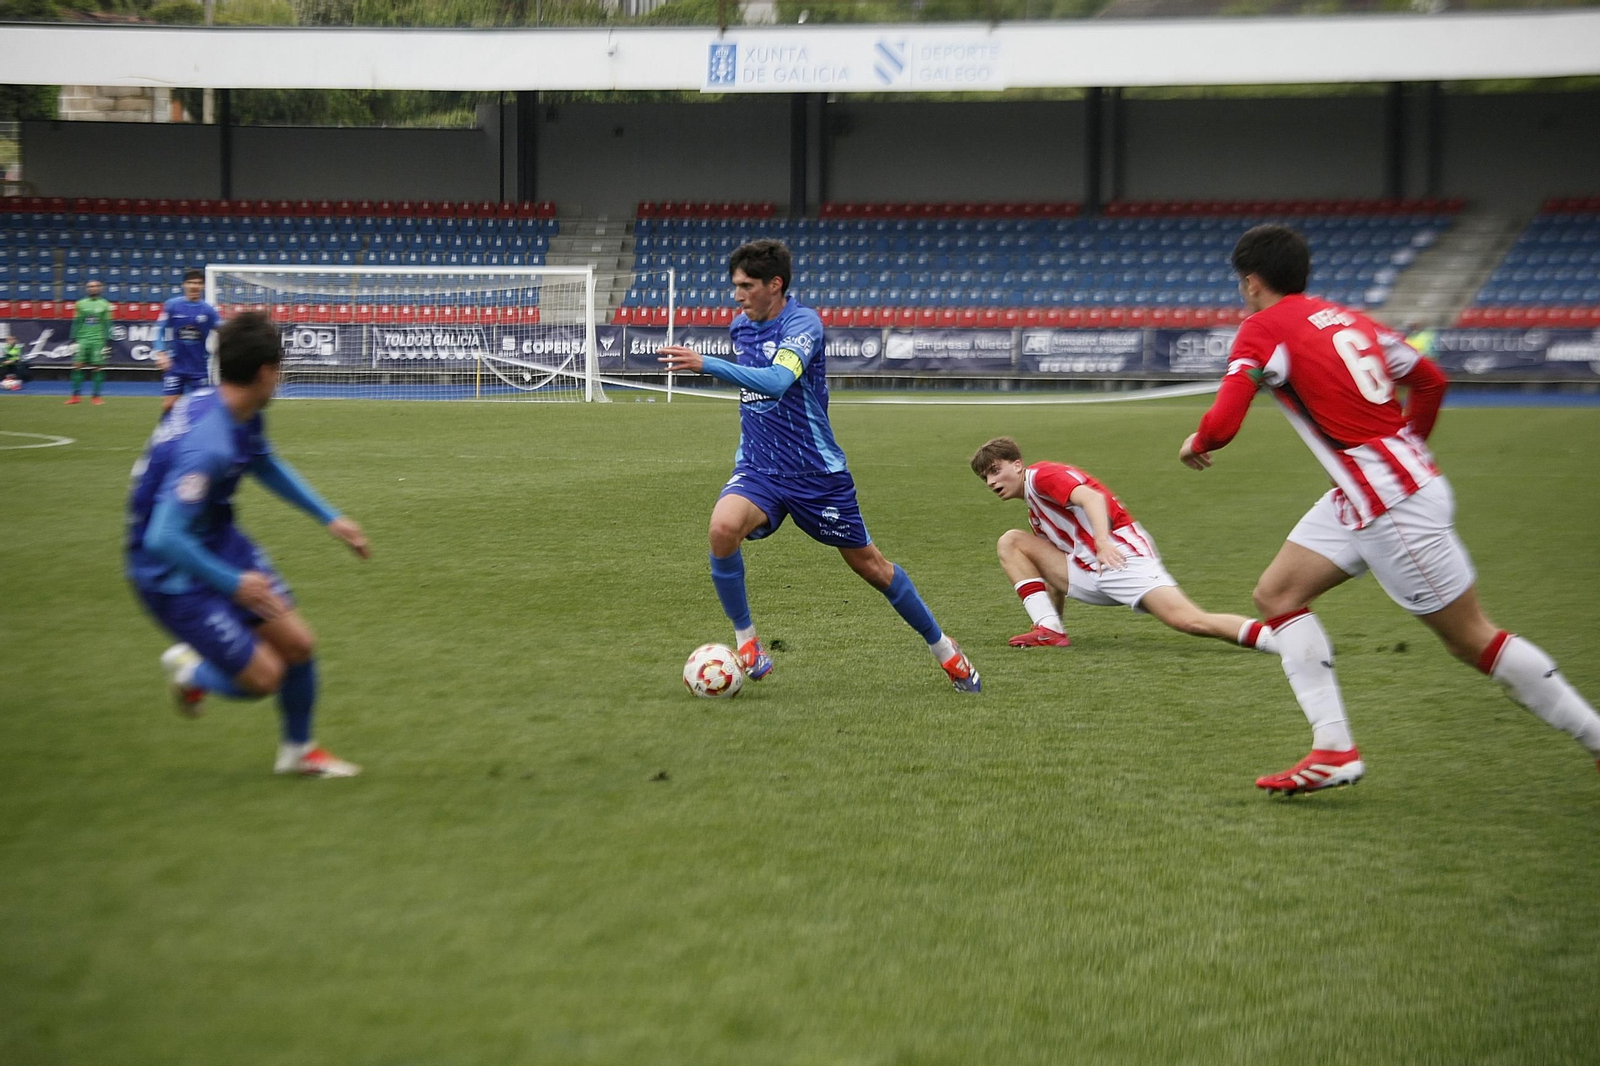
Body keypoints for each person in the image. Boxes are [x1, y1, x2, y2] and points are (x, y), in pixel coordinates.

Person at [1179, 224, 1600, 794]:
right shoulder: (1348, 318)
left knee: (1471, 638)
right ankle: (1333, 750)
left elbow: (1224, 424)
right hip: (1372, 493)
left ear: (1251, 282)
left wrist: (1198, 442)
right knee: (1277, 595)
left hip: (1392, 505)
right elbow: (1428, 380)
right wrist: (1410, 450)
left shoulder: (1261, 329)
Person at [657, 239, 981, 693]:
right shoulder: (741, 328)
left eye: (747, 286)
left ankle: (945, 650)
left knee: (873, 568)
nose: (737, 295)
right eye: (734, 286)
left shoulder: (802, 325)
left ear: (776, 284)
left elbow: (776, 382)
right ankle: (747, 643)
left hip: (817, 475)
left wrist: (706, 363)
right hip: (760, 469)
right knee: (721, 528)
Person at [127, 310, 370, 777]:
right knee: (265, 679)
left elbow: (263, 463)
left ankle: (298, 752)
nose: (281, 379)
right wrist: (232, 583)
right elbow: (162, 535)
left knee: (299, 645)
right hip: (167, 569)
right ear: (265, 373)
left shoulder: (234, 409)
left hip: (214, 537)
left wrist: (330, 519)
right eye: (280, 369)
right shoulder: (210, 443)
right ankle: (190, 671)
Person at [970, 436, 1278, 654]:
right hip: (1088, 569)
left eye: (996, 471)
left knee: (1188, 620)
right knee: (1012, 542)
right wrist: (1054, 625)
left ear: (1018, 465)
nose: (991, 482)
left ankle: (1279, 639)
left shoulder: (1042, 476)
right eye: (985, 478)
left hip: (1120, 556)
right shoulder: (1035, 511)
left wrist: (1102, 542)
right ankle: (1049, 629)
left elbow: (1093, 498)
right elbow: (1053, 577)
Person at [154, 268, 223, 417]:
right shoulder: (172, 305)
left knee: (201, 410)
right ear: (184, 285)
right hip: (176, 365)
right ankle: (166, 437)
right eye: (190, 282)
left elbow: (222, 330)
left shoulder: (208, 310)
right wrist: (161, 353)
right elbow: (160, 329)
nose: (194, 286)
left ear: (203, 286)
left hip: (199, 367)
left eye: (198, 283)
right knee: (169, 405)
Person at [66, 278, 113, 406]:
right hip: (82, 339)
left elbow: (107, 323)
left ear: (100, 288)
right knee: (77, 365)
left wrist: (108, 341)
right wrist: (73, 339)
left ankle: (96, 397)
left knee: (97, 367)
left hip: (98, 340)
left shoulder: (105, 304)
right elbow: (76, 322)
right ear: (87, 289)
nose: (92, 288)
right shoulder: (80, 304)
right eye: (90, 286)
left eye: (95, 286)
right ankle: (75, 396)